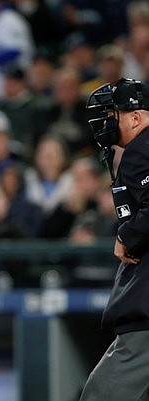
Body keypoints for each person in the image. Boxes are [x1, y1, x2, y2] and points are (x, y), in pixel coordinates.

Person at [78, 78, 149, 400]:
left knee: (101, 395)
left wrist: (127, 235)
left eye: (113, 113)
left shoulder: (141, 150)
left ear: (135, 117)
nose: (106, 121)